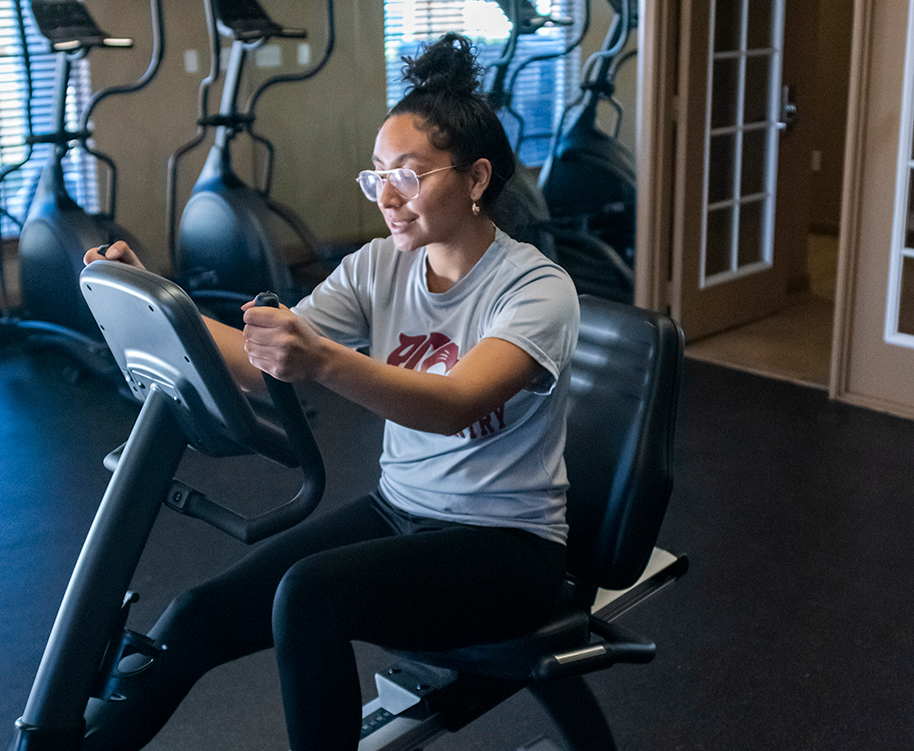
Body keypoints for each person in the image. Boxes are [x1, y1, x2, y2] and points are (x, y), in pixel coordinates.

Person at [82, 32, 580, 751]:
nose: (385, 196)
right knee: (198, 612)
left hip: (507, 548)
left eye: (407, 176)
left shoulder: (537, 288)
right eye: (375, 175)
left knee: (309, 595)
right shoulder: (380, 265)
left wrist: (319, 360)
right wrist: (162, 300)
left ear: (476, 179)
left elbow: (453, 405)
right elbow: (262, 359)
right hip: (401, 510)